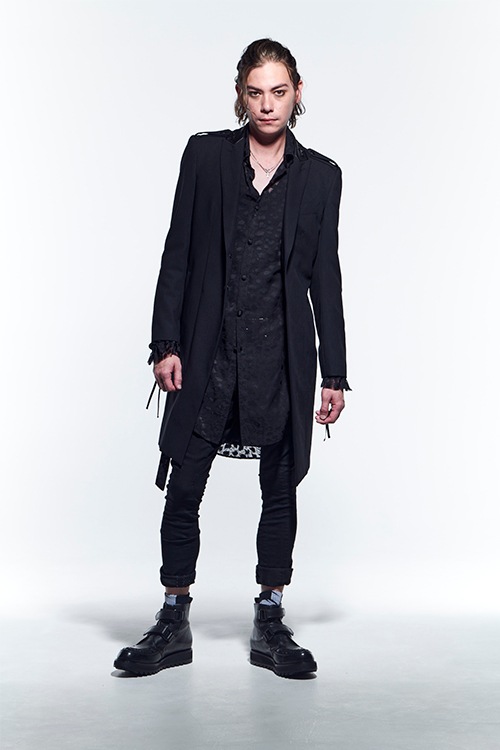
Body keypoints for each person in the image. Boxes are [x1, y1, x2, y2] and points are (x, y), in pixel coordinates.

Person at [114, 38, 349, 679]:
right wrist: (165, 344)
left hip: (281, 359)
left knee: (280, 490)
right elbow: (178, 253)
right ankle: (173, 618)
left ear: (297, 93)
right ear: (240, 94)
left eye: (279, 91)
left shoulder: (321, 176)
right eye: (255, 91)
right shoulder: (205, 156)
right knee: (184, 485)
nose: (267, 104)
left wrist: (334, 373)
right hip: (208, 353)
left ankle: (270, 618)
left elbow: (325, 279)